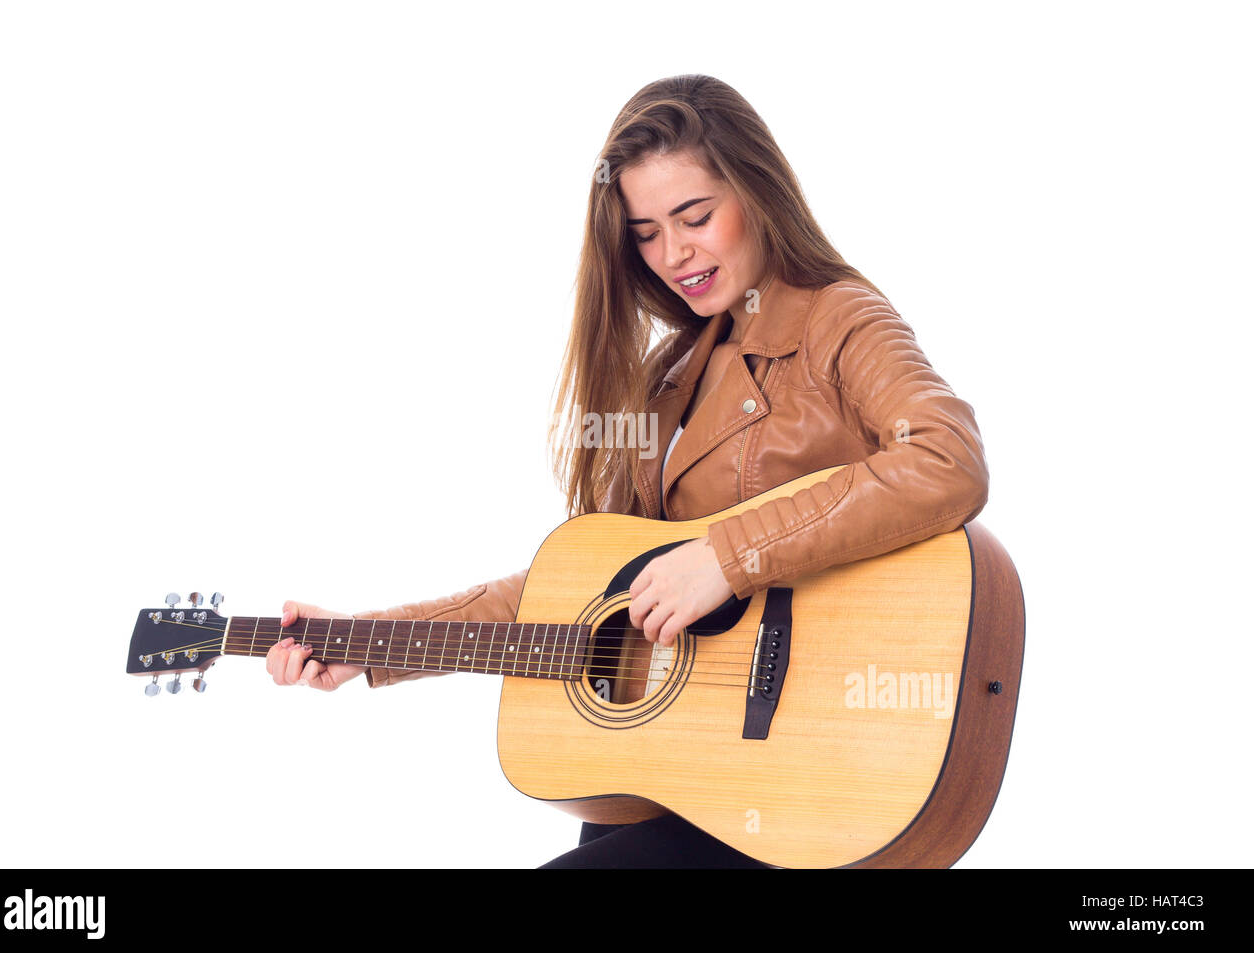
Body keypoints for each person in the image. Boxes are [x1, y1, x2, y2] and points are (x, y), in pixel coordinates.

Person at [265, 74, 989, 867]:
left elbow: (944, 457)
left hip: (809, 765)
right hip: (675, 770)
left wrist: (725, 557)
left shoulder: (838, 319)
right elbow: (582, 592)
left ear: (758, 192)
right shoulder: (670, 375)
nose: (674, 254)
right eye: (646, 231)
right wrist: (378, 642)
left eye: (696, 216)